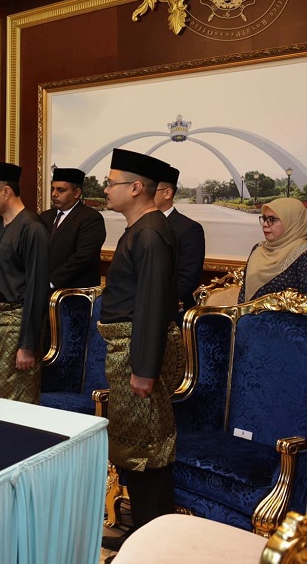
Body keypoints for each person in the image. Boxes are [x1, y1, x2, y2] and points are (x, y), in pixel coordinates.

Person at [99, 148, 180, 551]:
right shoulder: (141, 229)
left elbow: (151, 306)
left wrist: (144, 369)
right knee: (134, 448)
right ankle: (141, 537)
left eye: (111, 183)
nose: (105, 189)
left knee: (148, 451)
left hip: (137, 355)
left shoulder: (149, 233)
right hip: (127, 350)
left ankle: (154, 547)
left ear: (135, 188)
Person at [0, 162, 49, 404]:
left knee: (7, 398)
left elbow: (37, 290)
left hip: (15, 327)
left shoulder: (32, 228)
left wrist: (27, 345)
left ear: (6, 191)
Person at [39, 167, 105, 289]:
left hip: (74, 295)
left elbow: (84, 257)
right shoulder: (45, 216)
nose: (54, 194)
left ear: (76, 193)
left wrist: (51, 282)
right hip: (43, 292)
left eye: (61, 190)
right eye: (53, 189)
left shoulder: (91, 218)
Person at [156, 166, 205, 314]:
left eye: (151, 189)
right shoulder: (138, 225)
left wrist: (153, 301)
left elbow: (187, 279)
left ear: (167, 193)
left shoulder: (189, 229)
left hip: (171, 311)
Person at [238, 197, 307, 302]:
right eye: (264, 219)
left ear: (292, 222)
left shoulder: (303, 254)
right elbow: (244, 293)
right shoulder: (258, 248)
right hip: (248, 316)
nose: (265, 224)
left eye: (272, 220)